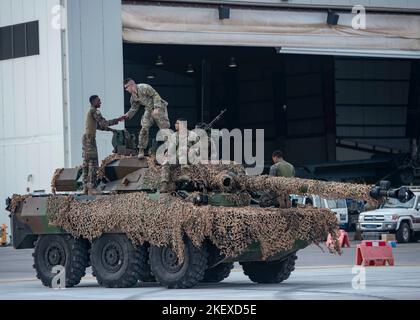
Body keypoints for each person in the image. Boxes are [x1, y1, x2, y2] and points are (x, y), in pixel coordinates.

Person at [82, 95, 125, 194]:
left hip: (86, 139)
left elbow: (99, 126)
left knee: (86, 163)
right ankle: (92, 187)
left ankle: (85, 187)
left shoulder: (90, 111)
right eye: (98, 100)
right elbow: (104, 123)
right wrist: (118, 120)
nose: (100, 102)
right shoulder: (95, 111)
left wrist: (111, 130)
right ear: (93, 102)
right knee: (93, 163)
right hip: (90, 139)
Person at [123, 78, 171, 159]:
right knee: (144, 127)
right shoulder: (133, 96)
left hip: (159, 106)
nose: (126, 90)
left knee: (164, 128)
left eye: (126, 87)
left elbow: (155, 94)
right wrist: (128, 115)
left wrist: (157, 107)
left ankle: (169, 148)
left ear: (131, 85)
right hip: (148, 109)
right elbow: (134, 107)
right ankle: (141, 150)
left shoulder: (144, 87)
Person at [160, 119, 199, 193]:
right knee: (166, 162)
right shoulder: (174, 136)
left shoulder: (192, 135)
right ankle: (164, 184)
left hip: (190, 158)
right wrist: (167, 152)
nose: (175, 124)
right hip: (178, 158)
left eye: (177, 123)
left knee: (183, 148)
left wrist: (192, 150)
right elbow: (170, 149)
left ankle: (185, 173)